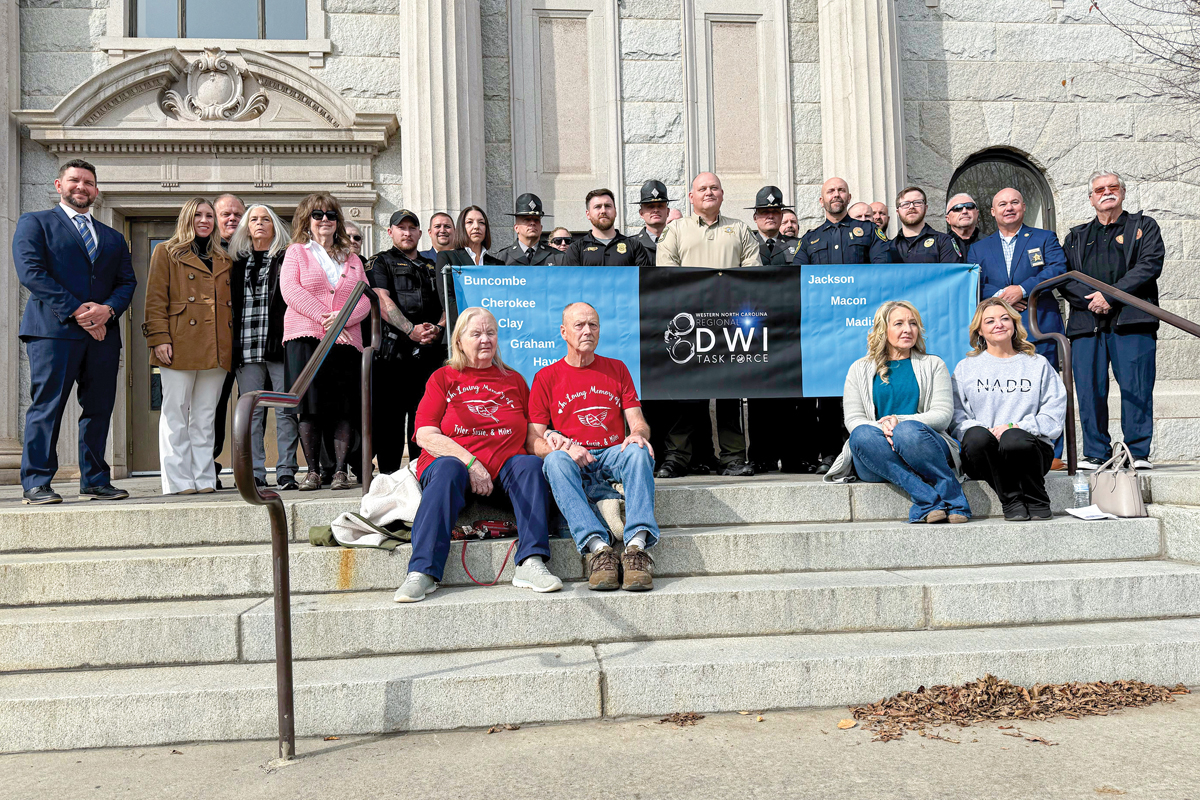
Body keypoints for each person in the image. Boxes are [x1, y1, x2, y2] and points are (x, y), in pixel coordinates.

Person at [394, 307, 562, 602]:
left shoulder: (514, 380)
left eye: (491, 333)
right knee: (448, 469)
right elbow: (425, 434)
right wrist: (470, 462)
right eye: (476, 334)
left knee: (530, 465)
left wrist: (553, 441)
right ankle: (421, 572)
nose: (485, 339)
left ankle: (531, 562)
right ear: (459, 340)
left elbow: (529, 434)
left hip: (503, 472)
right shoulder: (443, 378)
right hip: (453, 469)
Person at [13, 158, 136, 504]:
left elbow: (127, 282)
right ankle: (37, 482)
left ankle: (96, 480)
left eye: (88, 182)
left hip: (103, 336)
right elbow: (31, 273)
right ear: (58, 185)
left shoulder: (113, 237)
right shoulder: (35, 223)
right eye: (74, 180)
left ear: (96, 190)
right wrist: (79, 311)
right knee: (47, 406)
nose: (81, 187)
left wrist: (108, 310)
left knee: (99, 409)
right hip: (53, 332)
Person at [530, 302, 659, 591]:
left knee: (639, 450)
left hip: (612, 454)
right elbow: (532, 440)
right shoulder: (546, 377)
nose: (587, 331)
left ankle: (637, 548)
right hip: (574, 457)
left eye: (593, 325)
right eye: (579, 325)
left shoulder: (617, 369)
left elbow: (638, 423)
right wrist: (560, 448)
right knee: (553, 461)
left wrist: (637, 434)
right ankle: (599, 549)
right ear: (564, 332)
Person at [824, 301, 971, 524]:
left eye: (913, 323)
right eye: (899, 323)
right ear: (883, 329)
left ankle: (939, 502)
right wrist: (885, 429)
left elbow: (942, 415)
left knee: (908, 431)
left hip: (923, 447)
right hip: (878, 455)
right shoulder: (859, 368)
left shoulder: (933, 364)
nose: (907, 329)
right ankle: (932, 500)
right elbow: (854, 420)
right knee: (861, 434)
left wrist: (899, 422)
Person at [655, 172, 760, 478]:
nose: (709, 192)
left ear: (723, 194)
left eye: (714, 188)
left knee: (730, 393)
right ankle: (676, 457)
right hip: (689, 326)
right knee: (686, 394)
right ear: (691, 197)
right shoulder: (675, 229)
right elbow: (666, 276)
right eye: (702, 188)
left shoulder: (739, 229)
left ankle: (733, 457)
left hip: (729, 326)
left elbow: (753, 276)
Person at [1061, 171, 1165, 471]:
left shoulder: (1143, 227)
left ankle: (1138, 452)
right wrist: (1092, 301)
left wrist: (1112, 296)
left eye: (1113, 187)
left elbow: (1148, 265)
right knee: (1089, 389)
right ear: (1091, 198)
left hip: (1132, 321)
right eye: (1099, 189)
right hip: (1087, 323)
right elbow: (1065, 279)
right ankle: (1095, 452)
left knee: (1137, 386)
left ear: (1122, 192)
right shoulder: (1077, 236)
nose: (1107, 192)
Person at [792, 177, 891, 475]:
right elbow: (794, 282)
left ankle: (872, 450)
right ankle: (831, 453)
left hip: (865, 328)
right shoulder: (809, 240)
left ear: (848, 196)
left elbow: (884, 274)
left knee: (868, 389)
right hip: (825, 330)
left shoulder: (870, 232)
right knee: (827, 394)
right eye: (830, 191)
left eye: (840, 190)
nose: (836, 195)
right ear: (821, 201)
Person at [280, 192, 372, 491]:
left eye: (331, 215)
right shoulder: (296, 252)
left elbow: (365, 299)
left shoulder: (353, 258)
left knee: (344, 407)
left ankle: (341, 471)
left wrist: (342, 319)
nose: (325, 221)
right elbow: (290, 290)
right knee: (309, 405)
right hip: (306, 336)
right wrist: (325, 316)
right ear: (307, 220)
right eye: (318, 215)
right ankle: (313, 470)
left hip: (345, 340)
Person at [142, 198, 233, 495]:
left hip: (217, 345)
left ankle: (204, 478)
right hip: (179, 342)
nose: (204, 220)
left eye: (209, 215)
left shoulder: (224, 258)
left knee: (205, 416)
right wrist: (158, 339)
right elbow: (155, 299)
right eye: (198, 215)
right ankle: (178, 481)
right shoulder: (166, 252)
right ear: (187, 218)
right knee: (175, 414)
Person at [952, 298, 1067, 521]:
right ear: (980, 330)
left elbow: (1053, 415)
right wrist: (987, 431)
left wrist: (1014, 427)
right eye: (990, 321)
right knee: (975, 437)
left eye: (1005, 318)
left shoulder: (1037, 364)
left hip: (1029, 450)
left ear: (1014, 325)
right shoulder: (966, 367)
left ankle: (1035, 497)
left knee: (1013, 438)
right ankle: (1012, 499)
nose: (999, 324)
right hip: (985, 454)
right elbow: (957, 417)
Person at [366, 209, 445, 473]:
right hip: (393, 355)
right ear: (390, 232)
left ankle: (421, 474)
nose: (407, 232)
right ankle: (388, 478)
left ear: (420, 233)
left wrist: (437, 327)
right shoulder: (381, 261)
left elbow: (449, 304)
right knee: (390, 421)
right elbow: (381, 299)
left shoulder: (432, 265)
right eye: (401, 228)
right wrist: (410, 329)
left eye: (412, 228)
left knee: (424, 419)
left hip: (428, 354)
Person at [227, 204, 299, 490]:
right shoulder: (236, 261)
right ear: (246, 226)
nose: (259, 224)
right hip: (246, 346)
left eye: (265, 219)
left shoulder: (286, 258)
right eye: (253, 219)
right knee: (251, 412)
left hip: (278, 344)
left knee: (285, 410)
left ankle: (286, 470)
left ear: (274, 226)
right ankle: (255, 472)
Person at [967, 188, 1067, 368]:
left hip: (1039, 326)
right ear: (993, 211)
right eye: (1002, 204)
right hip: (997, 335)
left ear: (1024, 206)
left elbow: (1058, 268)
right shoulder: (977, 248)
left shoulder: (1044, 238)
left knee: (1044, 390)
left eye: (1014, 203)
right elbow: (973, 283)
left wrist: (1022, 290)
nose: (1009, 208)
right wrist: (1003, 297)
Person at [210, 193, 246, 488]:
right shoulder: (206, 253)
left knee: (254, 409)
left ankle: (252, 470)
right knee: (213, 407)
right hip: (216, 343)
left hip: (251, 342)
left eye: (238, 214)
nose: (232, 218)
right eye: (226, 214)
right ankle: (208, 465)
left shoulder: (255, 251)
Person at [435, 205, 502, 330]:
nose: (476, 226)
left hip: (491, 332)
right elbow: (448, 300)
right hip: (460, 331)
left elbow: (501, 302)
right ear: (461, 227)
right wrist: (473, 325)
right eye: (469, 222)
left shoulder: (498, 264)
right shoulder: (447, 257)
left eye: (481, 223)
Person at [560, 189, 652, 266]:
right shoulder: (576, 249)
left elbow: (644, 283)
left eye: (608, 206)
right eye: (597, 207)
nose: (603, 211)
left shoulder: (635, 246)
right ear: (588, 214)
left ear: (615, 212)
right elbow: (571, 285)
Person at [890, 186, 961, 263]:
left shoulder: (944, 242)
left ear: (926, 208)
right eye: (905, 204)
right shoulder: (890, 247)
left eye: (917, 202)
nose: (911, 207)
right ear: (897, 212)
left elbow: (951, 274)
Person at [500, 193, 559, 265]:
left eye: (536, 220)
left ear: (541, 228)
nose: (532, 223)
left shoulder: (557, 257)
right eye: (527, 219)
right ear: (516, 228)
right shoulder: (502, 258)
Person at [748, 185, 799, 266]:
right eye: (765, 212)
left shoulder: (797, 245)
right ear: (755, 218)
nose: (771, 216)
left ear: (781, 216)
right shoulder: (747, 245)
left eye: (775, 212)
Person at [633, 179, 675, 262]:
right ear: (641, 213)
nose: (656, 210)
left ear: (667, 212)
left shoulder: (679, 241)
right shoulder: (632, 245)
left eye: (660, 206)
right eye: (650, 206)